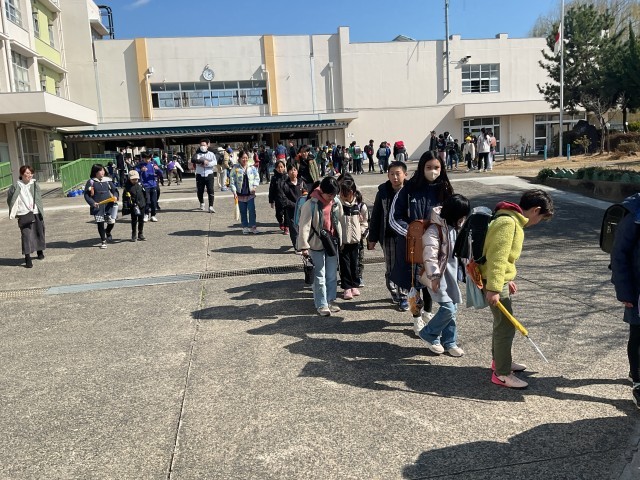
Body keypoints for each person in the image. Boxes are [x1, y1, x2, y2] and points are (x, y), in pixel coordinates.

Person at [480, 189, 554, 389]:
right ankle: (502, 373)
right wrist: (494, 288)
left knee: (502, 325)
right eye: (541, 217)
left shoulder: (510, 220)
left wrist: (508, 279)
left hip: (498, 281)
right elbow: (497, 257)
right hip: (493, 282)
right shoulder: (508, 223)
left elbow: (505, 260)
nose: (538, 222)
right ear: (535, 210)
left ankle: (500, 361)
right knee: (505, 327)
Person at [389, 151, 454, 333]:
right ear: (422, 167)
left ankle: (428, 312)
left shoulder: (445, 190)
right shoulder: (408, 190)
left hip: (436, 247)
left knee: (431, 281)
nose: (433, 171)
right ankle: (416, 317)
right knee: (414, 284)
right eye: (429, 167)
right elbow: (394, 218)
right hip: (413, 247)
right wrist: (412, 234)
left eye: (436, 167)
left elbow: (453, 217)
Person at [417, 194, 471, 356]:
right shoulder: (434, 229)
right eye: (462, 214)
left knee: (452, 309)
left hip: (452, 277)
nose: (463, 218)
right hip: (438, 277)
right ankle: (429, 333)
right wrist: (434, 277)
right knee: (448, 309)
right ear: (455, 213)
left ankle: (449, 341)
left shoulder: (456, 228)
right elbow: (429, 255)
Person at [297, 176, 344, 316]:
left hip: (332, 242)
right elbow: (304, 226)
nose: (332, 198)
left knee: (332, 275)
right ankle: (322, 304)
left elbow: (341, 220)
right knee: (319, 276)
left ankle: (330, 300)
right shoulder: (310, 204)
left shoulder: (336, 202)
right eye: (330, 195)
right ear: (322, 191)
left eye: (334, 195)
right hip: (316, 244)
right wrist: (304, 246)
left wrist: (342, 239)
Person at [610, 193, 640, 407]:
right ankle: (638, 381)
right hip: (636, 289)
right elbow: (619, 254)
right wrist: (625, 292)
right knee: (638, 333)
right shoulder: (635, 214)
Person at [368, 161, 408, 309]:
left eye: (398, 174)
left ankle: (403, 295)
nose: (395, 177)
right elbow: (376, 215)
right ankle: (393, 290)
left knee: (404, 266)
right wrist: (372, 238)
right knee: (391, 267)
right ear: (388, 175)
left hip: (405, 236)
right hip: (388, 236)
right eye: (392, 174)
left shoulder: (410, 191)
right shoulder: (383, 192)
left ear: (405, 174)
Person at [7, 165, 45, 268]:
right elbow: (10, 199)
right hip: (23, 213)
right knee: (26, 235)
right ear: (21, 174)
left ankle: (40, 251)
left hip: (36, 211)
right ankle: (27, 257)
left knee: (39, 231)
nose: (29, 175)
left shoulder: (34, 184)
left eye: (31, 173)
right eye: (27, 173)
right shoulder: (16, 186)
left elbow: (39, 198)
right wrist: (15, 210)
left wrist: (40, 210)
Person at [337, 175, 368, 300]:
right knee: (344, 265)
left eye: (347, 193)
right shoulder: (338, 206)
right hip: (343, 242)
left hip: (356, 241)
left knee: (355, 264)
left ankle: (355, 285)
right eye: (342, 193)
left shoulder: (359, 206)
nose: (345, 196)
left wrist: (361, 233)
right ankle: (346, 288)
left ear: (353, 192)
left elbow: (365, 222)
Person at [83, 163, 120, 249]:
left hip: (108, 205)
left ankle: (108, 232)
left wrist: (115, 196)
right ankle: (103, 241)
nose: (102, 172)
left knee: (111, 221)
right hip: (97, 207)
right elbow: (86, 195)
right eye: (100, 170)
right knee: (100, 223)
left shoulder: (107, 180)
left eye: (103, 170)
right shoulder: (91, 182)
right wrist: (92, 203)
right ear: (95, 172)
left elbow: (115, 190)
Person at [230, 149, 260, 234]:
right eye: (243, 158)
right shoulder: (235, 168)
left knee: (252, 210)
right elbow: (232, 181)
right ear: (239, 158)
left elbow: (257, 177)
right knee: (243, 211)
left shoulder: (252, 167)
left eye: (246, 158)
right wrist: (234, 192)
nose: (245, 159)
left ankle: (253, 226)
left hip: (250, 193)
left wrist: (254, 186)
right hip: (240, 194)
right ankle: (245, 227)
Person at [280, 163, 306, 250]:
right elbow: (284, 199)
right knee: (294, 229)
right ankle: (297, 247)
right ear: (288, 172)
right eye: (291, 170)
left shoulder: (301, 182)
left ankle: (304, 244)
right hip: (291, 210)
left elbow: (306, 194)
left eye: (295, 170)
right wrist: (295, 205)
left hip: (302, 209)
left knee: (303, 228)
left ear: (297, 172)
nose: (293, 172)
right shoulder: (285, 184)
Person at [191, 139, 216, 213]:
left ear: (207, 146)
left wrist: (207, 164)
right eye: (201, 145)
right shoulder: (197, 154)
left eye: (204, 145)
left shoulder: (211, 154)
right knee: (200, 191)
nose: (202, 147)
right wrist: (202, 161)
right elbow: (193, 160)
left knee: (210, 190)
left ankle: (211, 206)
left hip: (209, 174)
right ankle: (202, 202)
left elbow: (215, 162)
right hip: (200, 175)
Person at [122, 170, 147, 242]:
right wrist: (126, 206)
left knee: (141, 220)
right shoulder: (127, 187)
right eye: (133, 179)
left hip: (141, 204)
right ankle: (134, 234)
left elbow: (145, 193)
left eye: (136, 179)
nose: (135, 181)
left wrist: (146, 201)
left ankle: (140, 233)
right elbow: (125, 198)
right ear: (129, 179)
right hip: (133, 206)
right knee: (134, 220)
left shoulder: (140, 185)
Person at [136, 152, 160, 222]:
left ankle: (153, 215)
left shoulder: (153, 163)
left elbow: (160, 173)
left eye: (149, 158)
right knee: (147, 201)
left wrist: (158, 169)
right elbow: (135, 173)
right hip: (145, 186)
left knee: (154, 201)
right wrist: (141, 170)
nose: (147, 160)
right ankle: (146, 214)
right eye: (146, 158)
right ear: (143, 158)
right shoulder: (140, 165)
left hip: (153, 185)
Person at [269, 160, 287, 234]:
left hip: (286, 199)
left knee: (287, 214)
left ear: (284, 167)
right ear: (276, 168)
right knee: (279, 214)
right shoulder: (274, 178)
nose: (280, 169)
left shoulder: (287, 177)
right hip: (278, 199)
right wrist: (271, 201)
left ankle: (286, 227)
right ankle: (281, 222)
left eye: (281, 167)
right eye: (278, 167)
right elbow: (271, 190)